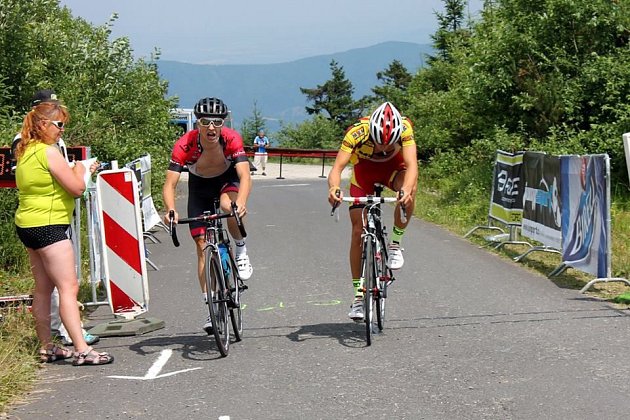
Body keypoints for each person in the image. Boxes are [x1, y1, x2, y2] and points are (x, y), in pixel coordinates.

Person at [13, 98, 113, 366]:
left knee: (42, 290)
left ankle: (46, 347)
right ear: (44, 124)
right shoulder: (48, 152)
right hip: (50, 226)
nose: (62, 131)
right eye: (59, 125)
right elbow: (77, 189)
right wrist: (80, 169)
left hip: (27, 225)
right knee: (69, 288)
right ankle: (82, 349)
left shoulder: (25, 151)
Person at [163, 97, 253, 334]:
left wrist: (241, 202)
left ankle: (241, 248)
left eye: (217, 122)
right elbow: (169, 184)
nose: (211, 127)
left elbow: (244, 175)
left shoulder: (231, 138)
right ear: (197, 123)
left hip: (227, 181)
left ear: (223, 123)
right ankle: (210, 306)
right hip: (200, 188)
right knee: (202, 245)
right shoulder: (184, 144)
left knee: (227, 206)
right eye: (205, 122)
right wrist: (171, 209)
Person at [327, 102, 418, 321]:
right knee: (358, 231)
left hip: (394, 171)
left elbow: (412, 165)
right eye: (379, 144)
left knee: (410, 191)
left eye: (389, 144)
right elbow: (337, 168)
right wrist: (334, 188)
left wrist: (404, 190)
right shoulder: (356, 132)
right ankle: (359, 294)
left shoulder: (405, 128)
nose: (384, 149)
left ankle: (395, 243)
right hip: (364, 175)